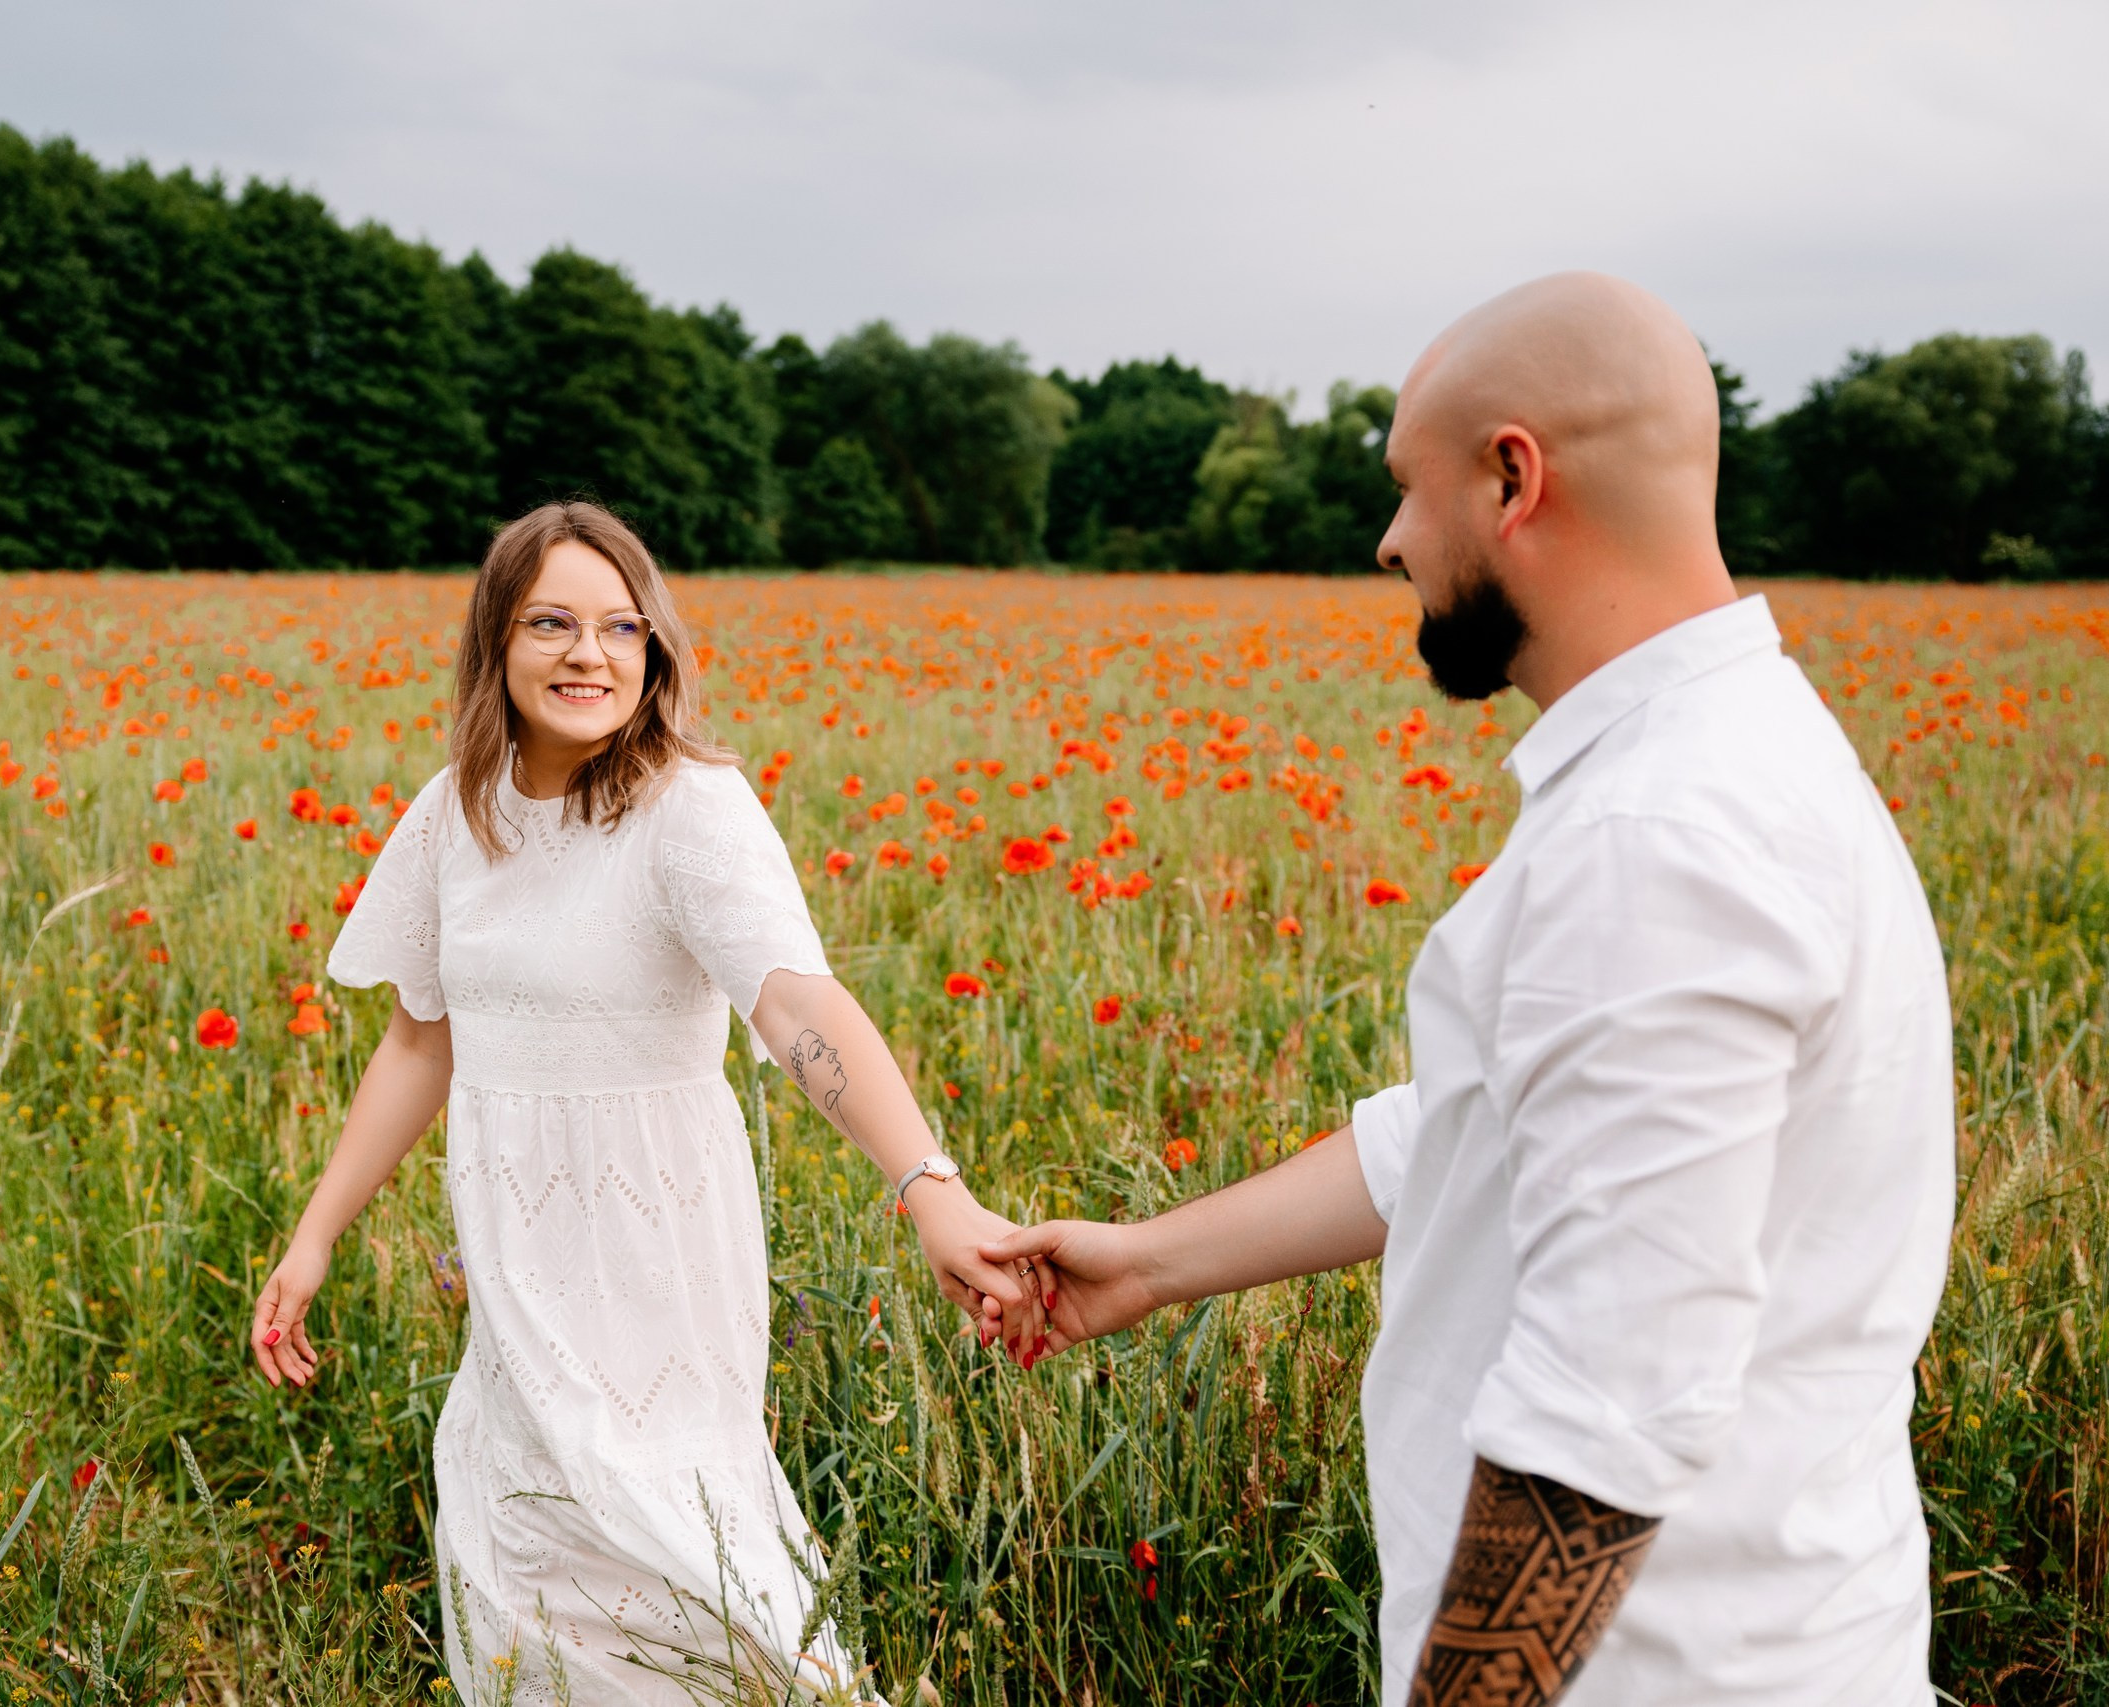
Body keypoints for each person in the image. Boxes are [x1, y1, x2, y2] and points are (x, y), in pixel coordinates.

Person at [983, 273, 1954, 1706]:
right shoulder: (1736, 754)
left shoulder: (1654, 840)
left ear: (1513, 476)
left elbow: (1605, 1419)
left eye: (1405, 488)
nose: (1388, 542)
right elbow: (1477, 1131)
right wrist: (1151, 1262)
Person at [251, 501, 1044, 1704]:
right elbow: (420, 1041)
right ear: (495, 644)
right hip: (513, 1242)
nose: (591, 654)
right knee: (519, 1528)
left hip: (651, 1240)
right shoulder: (453, 816)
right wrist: (314, 1237)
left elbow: (793, 1008)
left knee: (673, 1528)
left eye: (622, 626)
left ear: (656, 646)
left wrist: (929, 1189)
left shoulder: (688, 808)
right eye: (552, 624)